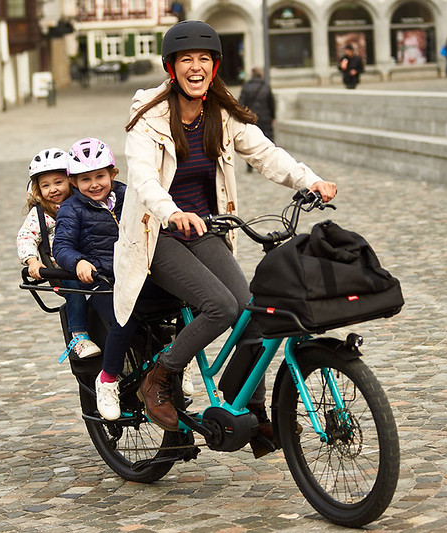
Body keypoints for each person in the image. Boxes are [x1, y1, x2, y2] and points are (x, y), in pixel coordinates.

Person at [114, 20, 336, 457]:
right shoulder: (149, 118)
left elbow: (265, 153)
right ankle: (159, 376)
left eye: (204, 59)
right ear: (171, 67)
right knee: (221, 306)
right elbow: (142, 177)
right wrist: (172, 212)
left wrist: (310, 180)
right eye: (186, 60)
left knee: (252, 312)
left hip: (204, 229)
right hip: (157, 234)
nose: (195, 67)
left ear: (215, 66)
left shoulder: (220, 112)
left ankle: (250, 410)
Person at [52, 138, 135, 422]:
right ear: (74, 182)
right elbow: (61, 247)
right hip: (102, 281)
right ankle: (107, 380)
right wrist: (79, 262)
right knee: (125, 320)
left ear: (113, 173)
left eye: (100, 176)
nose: (94, 184)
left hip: (137, 273)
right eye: (85, 179)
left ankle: (173, 366)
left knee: (181, 306)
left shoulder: (128, 196)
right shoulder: (71, 208)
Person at [17, 148, 101, 361]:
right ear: (37, 189)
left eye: (58, 182)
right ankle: (79, 336)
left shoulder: (83, 203)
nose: (53, 189)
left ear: (71, 181)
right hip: (64, 270)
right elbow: (26, 237)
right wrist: (32, 261)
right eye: (45, 185)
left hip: (94, 262)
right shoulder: (41, 214)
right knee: (73, 289)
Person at [238, 67, 275, 172]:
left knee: (249, 141)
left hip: (251, 118)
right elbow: (271, 104)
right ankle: (266, 165)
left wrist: (243, 116)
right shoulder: (265, 86)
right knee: (266, 140)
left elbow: (241, 103)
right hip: (265, 117)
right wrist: (272, 117)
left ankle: (250, 165)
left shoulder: (246, 86)